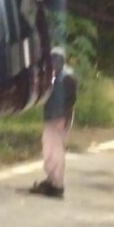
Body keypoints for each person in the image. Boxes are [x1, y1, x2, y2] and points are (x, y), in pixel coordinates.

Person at [30, 47, 78, 198]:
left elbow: (70, 100)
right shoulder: (53, 77)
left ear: (62, 61)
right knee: (49, 150)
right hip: (51, 117)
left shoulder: (67, 77)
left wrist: (63, 119)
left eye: (56, 59)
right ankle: (51, 181)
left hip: (59, 119)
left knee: (55, 151)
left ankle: (57, 185)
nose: (54, 62)